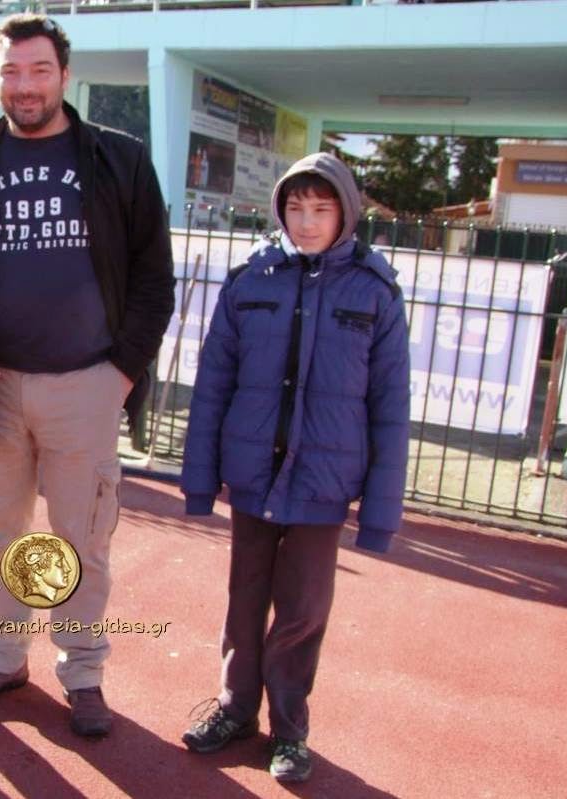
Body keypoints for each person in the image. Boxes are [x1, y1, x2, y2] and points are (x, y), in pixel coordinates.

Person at [0, 13, 175, 737]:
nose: (24, 85)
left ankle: (82, 671)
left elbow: (154, 278)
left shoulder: (119, 159)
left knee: (79, 540)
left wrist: (120, 374)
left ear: (64, 75)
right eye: (10, 71)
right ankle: (3, 660)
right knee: (0, 536)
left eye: (38, 70)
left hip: (86, 384)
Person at [178, 152, 410, 783]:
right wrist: (200, 481)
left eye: (321, 209)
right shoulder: (250, 280)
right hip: (253, 475)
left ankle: (289, 730)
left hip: (322, 485)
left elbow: (390, 406)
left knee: (303, 611)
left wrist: (380, 516)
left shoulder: (375, 291)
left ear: (346, 214)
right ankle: (235, 710)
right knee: (244, 600)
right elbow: (213, 386)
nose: (307, 222)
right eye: (296, 208)